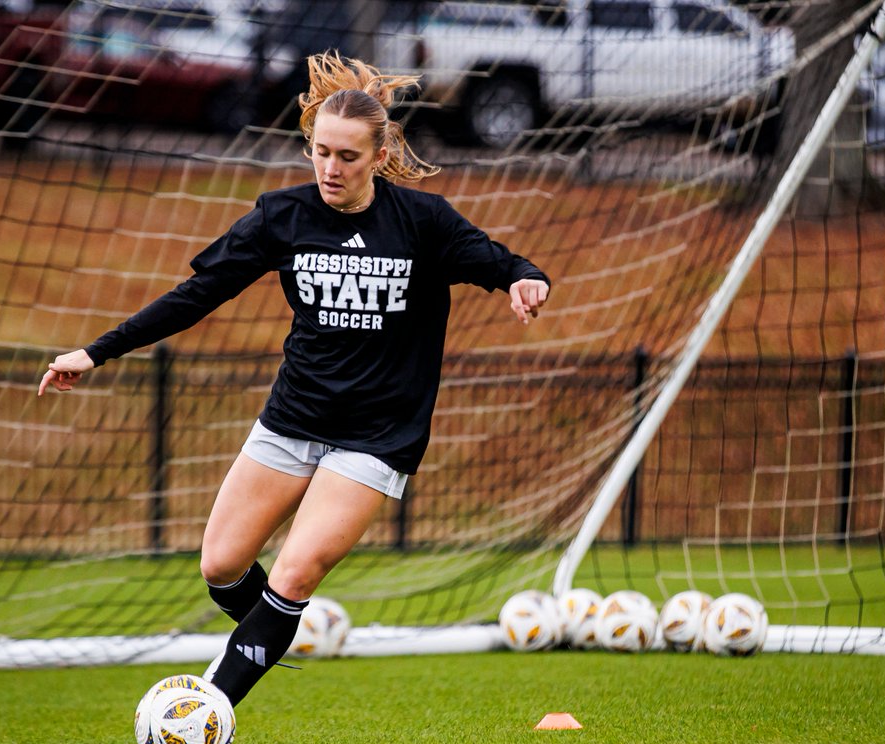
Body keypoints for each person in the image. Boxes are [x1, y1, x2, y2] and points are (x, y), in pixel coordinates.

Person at [38, 53, 550, 708]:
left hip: (376, 435)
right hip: (293, 419)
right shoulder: (283, 215)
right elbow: (196, 296)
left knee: (295, 572)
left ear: (380, 155)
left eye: (348, 157)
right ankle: (276, 632)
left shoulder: (423, 222)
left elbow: (501, 262)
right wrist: (95, 352)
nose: (331, 168)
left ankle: (206, 711)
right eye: (321, 152)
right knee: (221, 566)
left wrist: (525, 280)